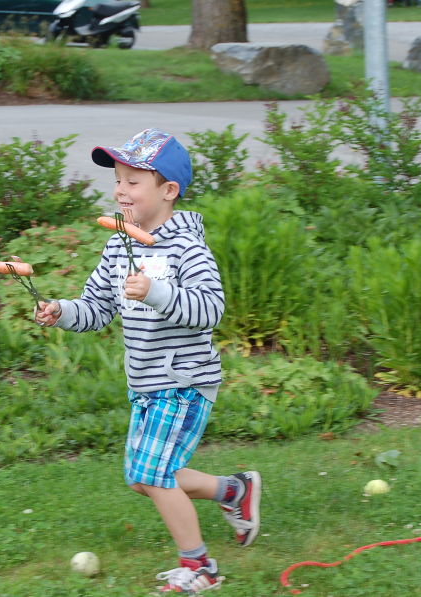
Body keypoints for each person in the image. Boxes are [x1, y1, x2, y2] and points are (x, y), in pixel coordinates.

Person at [33, 128, 261, 594]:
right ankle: (233, 490)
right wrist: (61, 311)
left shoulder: (187, 248)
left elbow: (209, 310)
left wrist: (157, 292)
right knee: (146, 479)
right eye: (118, 179)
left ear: (168, 191)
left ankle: (200, 568)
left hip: (184, 380)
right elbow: (96, 307)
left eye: (134, 181)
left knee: (152, 475)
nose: (120, 189)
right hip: (146, 382)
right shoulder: (119, 246)